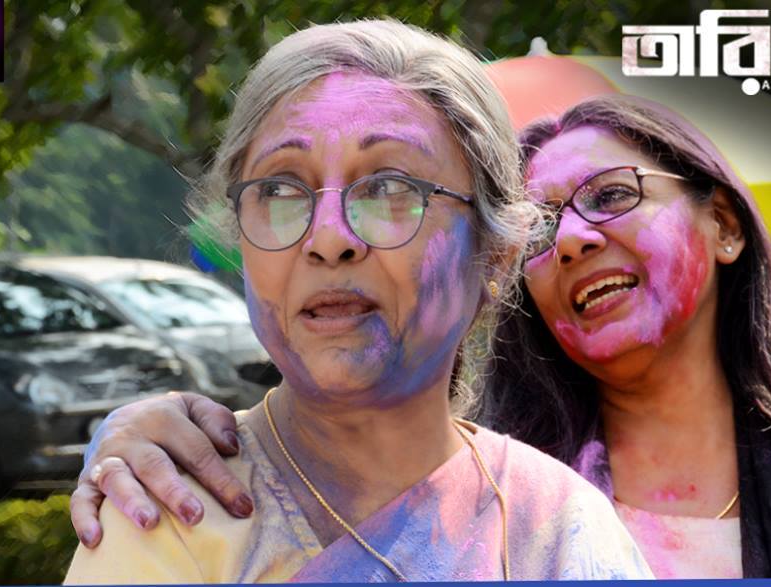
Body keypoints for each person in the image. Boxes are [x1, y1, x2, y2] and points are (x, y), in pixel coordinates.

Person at [70, 93, 771, 578]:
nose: (572, 239)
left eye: (611, 196)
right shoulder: (489, 492)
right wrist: (129, 435)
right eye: (543, 225)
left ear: (725, 224)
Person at [63, 20, 652, 584]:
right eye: (280, 189)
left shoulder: (557, 531)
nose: (328, 238)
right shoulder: (167, 511)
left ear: (496, 255)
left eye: (390, 188)